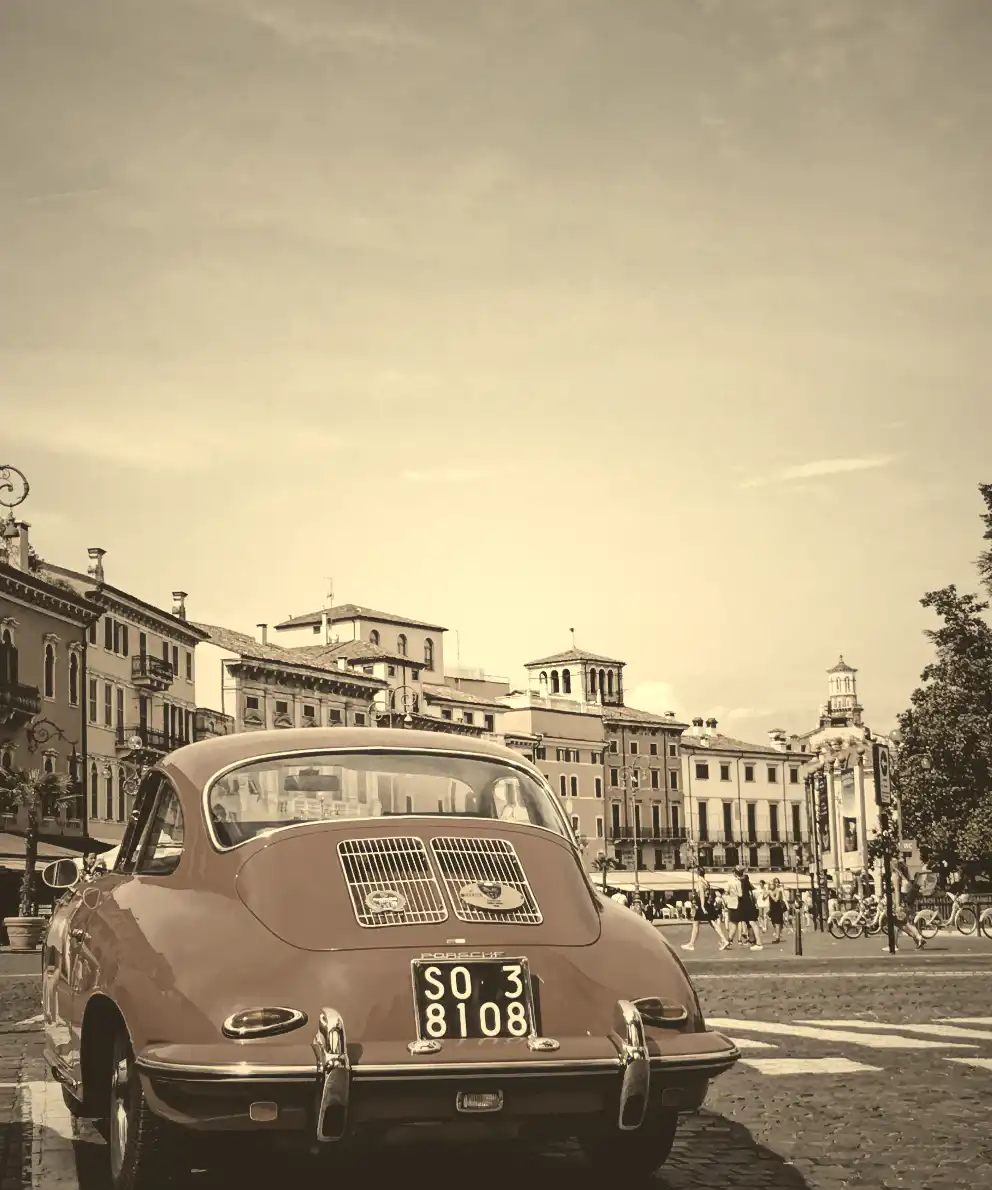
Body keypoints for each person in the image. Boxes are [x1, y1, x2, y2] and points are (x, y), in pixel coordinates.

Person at [682, 867, 731, 951]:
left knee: (696, 924)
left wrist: (702, 906)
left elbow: (701, 894)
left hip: (703, 905)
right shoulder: (706, 882)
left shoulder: (700, 882)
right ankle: (724, 939)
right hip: (708, 904)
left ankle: (691, 944)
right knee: (712, 923)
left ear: (697, 873)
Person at [886, 860, 927, 951]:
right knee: (900, 924)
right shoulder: (903, 877)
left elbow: (897, 891)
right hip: (905, 903)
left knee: (905, 924)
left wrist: (897, 905)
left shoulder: (895, 876)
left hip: (901, 903)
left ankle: (919, 937)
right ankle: (918, 943)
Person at [739, 870, 763, 948]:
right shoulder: (750, 889)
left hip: (748, 907)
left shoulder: (744, 890)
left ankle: (758, 942)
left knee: (752, 924)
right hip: (751, 907)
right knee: (749, 924)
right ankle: (752, 940)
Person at [724, 867, 743, 944]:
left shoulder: (730, 881)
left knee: (732, 922)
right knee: (737, 922)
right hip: (737, 904)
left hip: (731, 904)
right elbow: (741, 894)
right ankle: (730, 939)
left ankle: (730, 939)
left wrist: (731, 893)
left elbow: (726, 891)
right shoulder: (739, 882)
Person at [768, 877, 786, 943]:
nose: (771, 885)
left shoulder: (778, 890)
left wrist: (771, 895)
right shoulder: (769, 891)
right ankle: (778, 935)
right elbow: (763, 898)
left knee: (777, 923)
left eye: (772, 884)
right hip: (772, 909)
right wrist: (765, 894)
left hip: (777, 908)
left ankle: (777, 938)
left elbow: (776, 899)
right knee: (774, 923)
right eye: (770, 884)